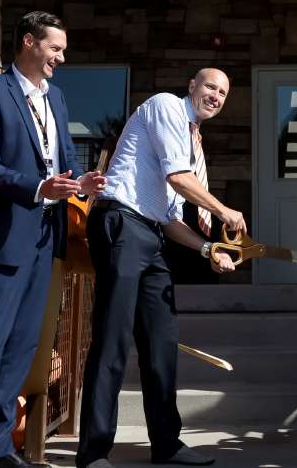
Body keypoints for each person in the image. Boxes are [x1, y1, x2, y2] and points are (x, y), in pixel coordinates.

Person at [0, 11, 105, 468]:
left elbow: (65, 156)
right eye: (55, 48)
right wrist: (38, 188)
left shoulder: (56, 97)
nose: (61, 57)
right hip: (3, 239)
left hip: (46, 241)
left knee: (20, 348)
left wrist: (81, 181)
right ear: (28, 43)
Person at [76, 68, 241, 468]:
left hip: (151, 233)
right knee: (113, 340)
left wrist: (208, 250)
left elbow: (170, 219)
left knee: (161, 344)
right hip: (121, 222)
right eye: (210, 87)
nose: (215, 96)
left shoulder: (190, 142)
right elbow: (177, 178)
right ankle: (94, 452)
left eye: (222, 92)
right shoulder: (167, 107)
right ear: (192, 87)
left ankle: (166, 444)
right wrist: (222, 211)